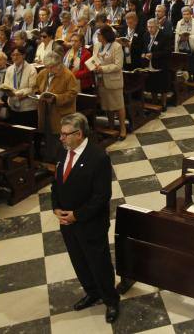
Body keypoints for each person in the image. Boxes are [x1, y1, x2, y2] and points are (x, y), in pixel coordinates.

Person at [51, 113, 120, 324]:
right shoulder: (64, 151)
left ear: (79, 134)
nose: (60, 138)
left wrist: (77, 215)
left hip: (90, 223)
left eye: (65, 134)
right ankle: (92, 291)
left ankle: (111, 300)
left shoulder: (98, 157)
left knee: (98, 262)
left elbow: (101, 196)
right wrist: (56, 208)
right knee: (78, 260)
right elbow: (57, 183)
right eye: (60, 134)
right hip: (67, 221)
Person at [34, 51, 80, 161]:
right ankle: (50, 160)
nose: (49, 70)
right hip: (45, 111)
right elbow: (35, 86)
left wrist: (56, 98)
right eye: (47, 67)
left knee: (60, 140)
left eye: (51, 67)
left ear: (59, 65)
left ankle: (62, 162)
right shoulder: (44, 73)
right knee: (47, 137)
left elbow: (72, 94)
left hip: (61, 114)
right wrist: (36, 93)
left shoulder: (68, 75)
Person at [93, 26, 127, 141]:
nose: (97, 37)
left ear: (105, 35)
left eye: (99, 34)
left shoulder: (116, 46)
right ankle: (111, 127)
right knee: (107, 105)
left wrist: (102, 68)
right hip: (101, 80)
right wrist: (93, 66)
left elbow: (118, 65)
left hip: (113, 80)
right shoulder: (97, 45)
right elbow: (94, 59)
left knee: (118, 105)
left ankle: (123, 129)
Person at [174, 6, 194, 81]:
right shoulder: (179, 23)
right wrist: (180, 38)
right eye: (184, 14)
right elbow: (177, 34)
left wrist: (189, 37)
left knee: (193, 63)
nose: (185, 16)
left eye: (187, 14)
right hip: (182, 47)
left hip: (192, 48)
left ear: (191, 14)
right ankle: (186, 78)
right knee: (184, 65)